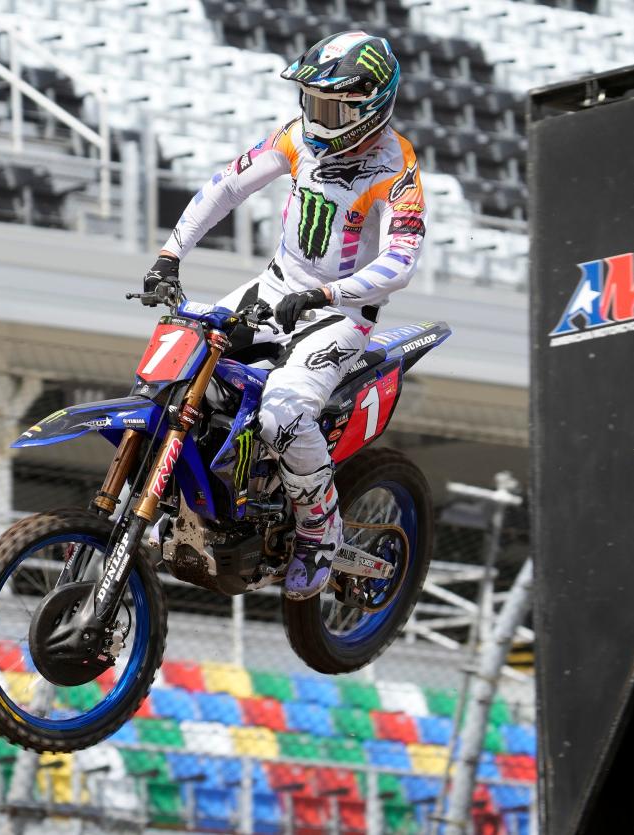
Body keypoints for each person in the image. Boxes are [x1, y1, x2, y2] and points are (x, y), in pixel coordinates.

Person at [142, 31, 427, 600]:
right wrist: (170, 255)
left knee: (284, 414)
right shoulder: (297, 137)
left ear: (368, 105)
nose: (316, 115)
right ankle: (166, 495)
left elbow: (401, 262)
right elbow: (226, 187)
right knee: (169, 364)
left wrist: (329, 295)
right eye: (313, 101)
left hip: (342, 313)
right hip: (274, 288)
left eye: (331, 106)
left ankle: (320, 531)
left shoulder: (396, 168)